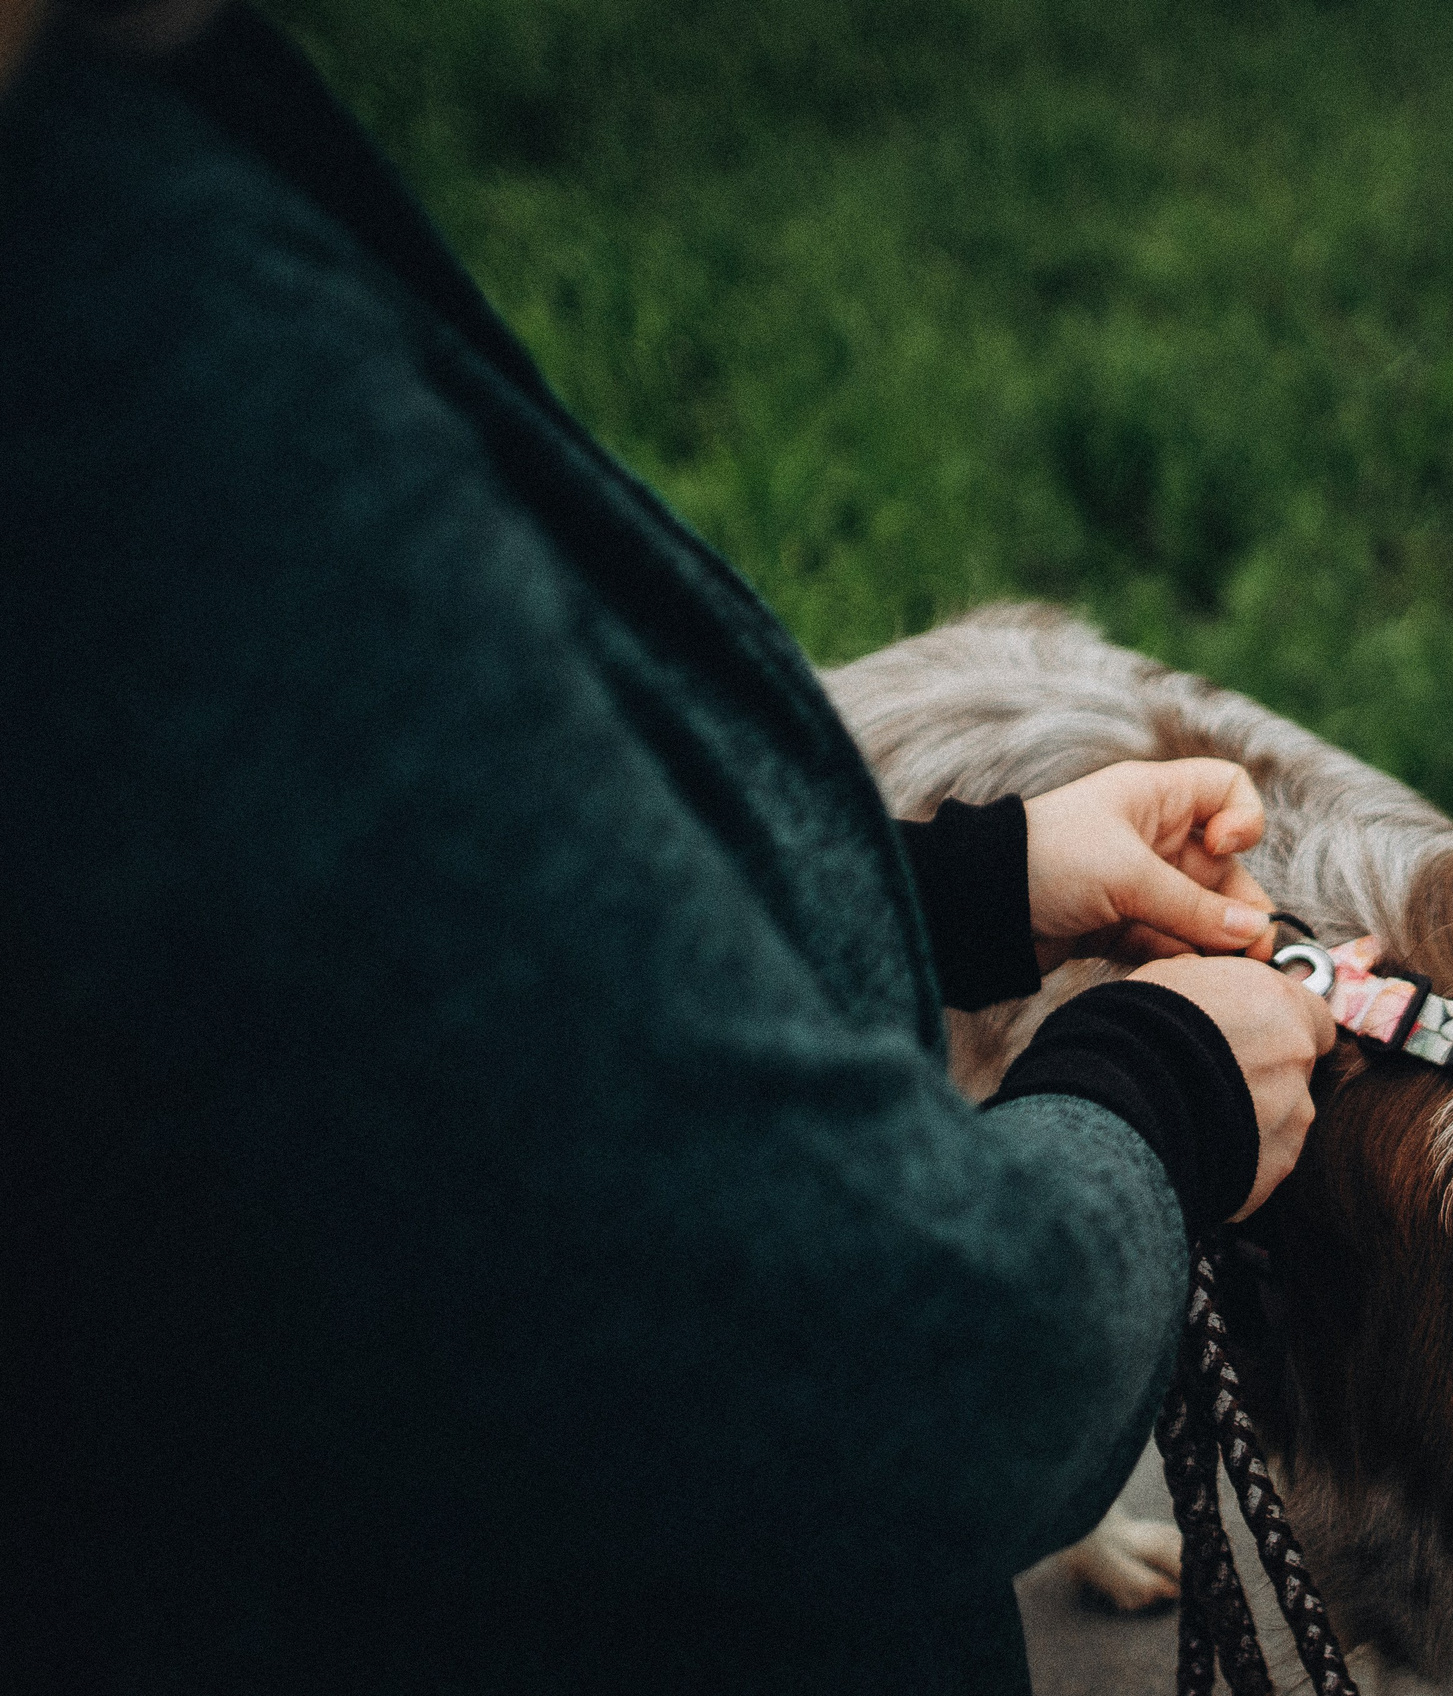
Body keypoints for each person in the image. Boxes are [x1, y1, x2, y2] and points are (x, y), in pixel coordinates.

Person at [0, 2, 1336, 1690]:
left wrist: (966, 894)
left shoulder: (113, 148)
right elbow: (886, 1376)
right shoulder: (136, 382)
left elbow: (413, 995)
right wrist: (1164, 1088)